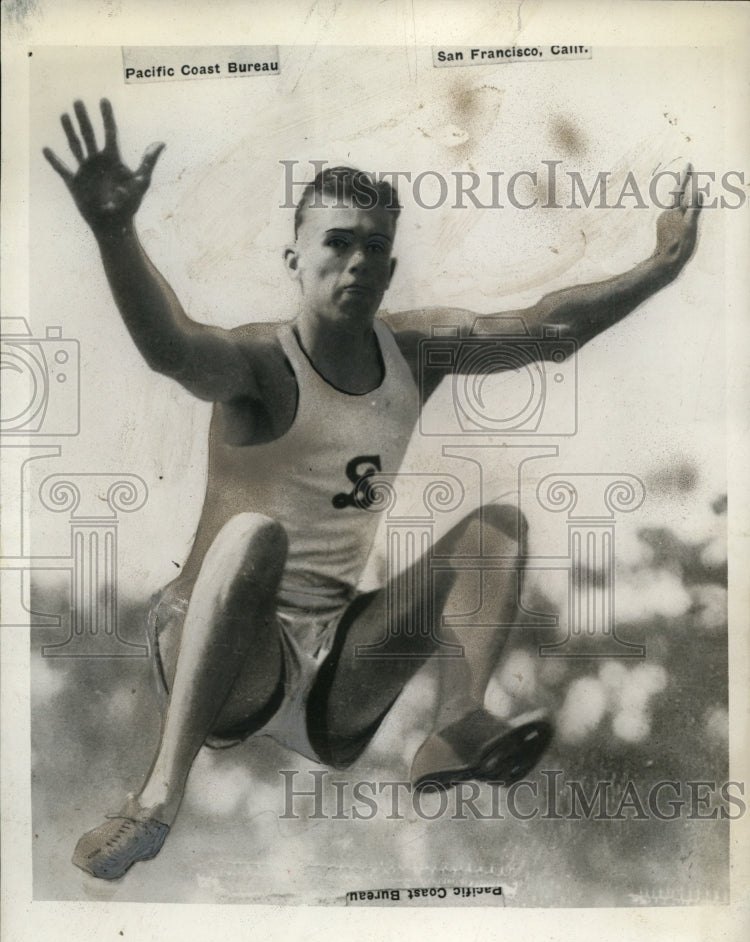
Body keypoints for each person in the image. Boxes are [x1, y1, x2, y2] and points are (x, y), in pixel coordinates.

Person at [44, 99, 702, 880]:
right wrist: (115, 233)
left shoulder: (414, 352)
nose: (357, 260)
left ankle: (455, 720)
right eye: (338, 243)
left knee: (499, 529)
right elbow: (171, 348)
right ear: (295, 258)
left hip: (333, 680)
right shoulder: (261, 365)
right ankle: (156, 798)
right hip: (223, 661)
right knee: (257, 537)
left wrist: (657, 269)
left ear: (391, 270)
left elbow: (547, 329)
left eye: (375, 248)